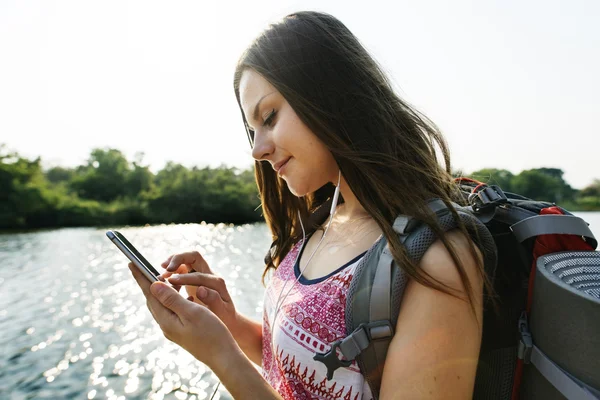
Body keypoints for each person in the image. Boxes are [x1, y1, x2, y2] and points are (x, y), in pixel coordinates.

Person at [129, 11, 492, 399]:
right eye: (253, 130)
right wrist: (229, 324)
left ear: (331, 95)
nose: (257, 149)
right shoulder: (324, 220)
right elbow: (302, 367)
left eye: (269, 117)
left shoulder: (435, 261)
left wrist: (222, 357)